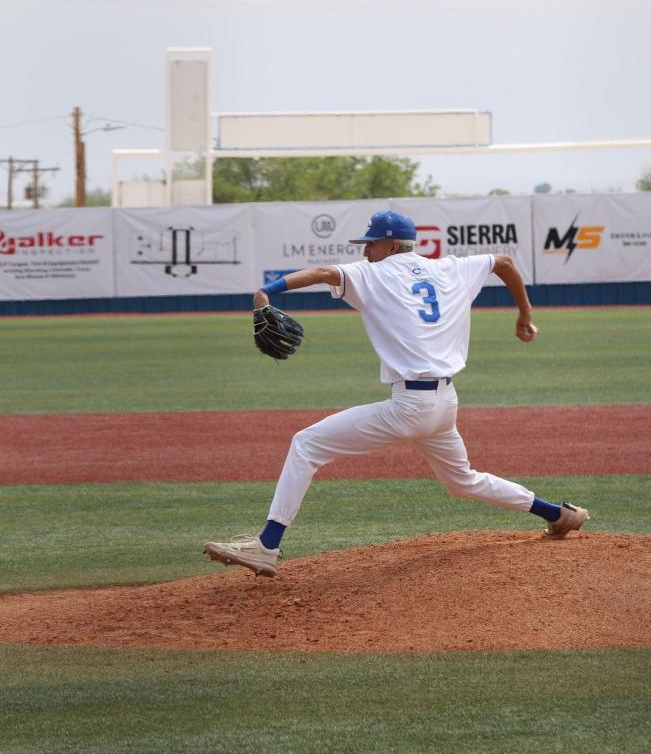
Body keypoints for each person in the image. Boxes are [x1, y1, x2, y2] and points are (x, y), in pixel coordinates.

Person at [203, 210, 589, 577]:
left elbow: (323, 272)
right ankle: (558, 514)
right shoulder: (449, 268)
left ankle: (266, 546)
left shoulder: (373, 275)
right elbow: (503, 261)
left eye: (370, 244)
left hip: (409, 407)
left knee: (306, 444)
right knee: (462, 481)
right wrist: (524, 313)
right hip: (444, 405)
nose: (364, 251)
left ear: (390, 244)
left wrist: (265, 292)